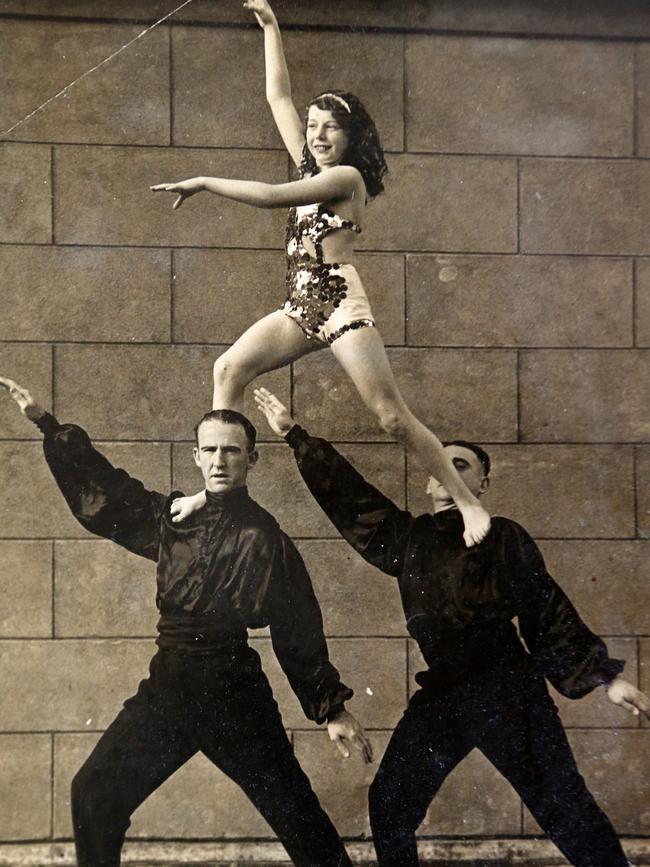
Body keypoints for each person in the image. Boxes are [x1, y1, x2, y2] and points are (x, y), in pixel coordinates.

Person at [253, 386, 649, 867]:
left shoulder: (501, 536)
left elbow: (547, 609)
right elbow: (351, 498)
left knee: (565, 807)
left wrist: (606, 678)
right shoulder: (409, 539)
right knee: (391, 804)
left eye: (462, 465)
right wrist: (296, 435)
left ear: (483, 484)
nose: (449, 470)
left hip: (507, 688)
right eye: (441, 462)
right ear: (428, 480)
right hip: (444, 692)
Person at [150, 0, 489, 548]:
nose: (318, 136)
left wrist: (206, 180)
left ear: (352, 137)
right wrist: (271, 28)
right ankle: (214, 493)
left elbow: (270, 197)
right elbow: (277, 97)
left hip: (338, 303)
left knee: (390, 417)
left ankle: (469, 502)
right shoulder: (314, 164)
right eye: (314, 127)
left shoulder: (346, 178)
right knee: (229, 369)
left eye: (332, 128)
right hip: (300, 306)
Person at [0, 376, 372, 867]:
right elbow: (109, 496)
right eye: (210, 451)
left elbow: (297, 628)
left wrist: (331, 710)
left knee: (300, 821)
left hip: (233, 695)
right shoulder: (174, 518)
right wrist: (49, 426)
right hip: (168, 690)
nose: (220, 461)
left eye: (232, 452)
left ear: (251, 460)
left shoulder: (265, 539)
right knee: (94, 795)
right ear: (196, 457)